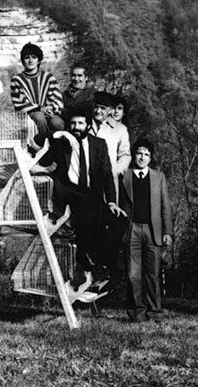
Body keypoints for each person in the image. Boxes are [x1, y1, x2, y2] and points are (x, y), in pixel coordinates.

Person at [34, 105, 127, 288]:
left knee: (119, 220)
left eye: (80, 123)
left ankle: (101, 263)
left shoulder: (99, 145)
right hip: (68, 193)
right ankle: (87, 261)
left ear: (88, 125)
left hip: (92, 195)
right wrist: (59, 134)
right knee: (87, 210)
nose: (76, 127)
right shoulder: (62, 142)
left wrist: (111, 202)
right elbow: (37, 140)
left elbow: (107, 176)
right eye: (73, 124)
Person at [120, 138, 173, 322]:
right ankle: (137, 313)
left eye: (146, 154)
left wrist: (167, 232)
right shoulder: (124, 176)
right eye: (139, 153)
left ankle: (155, 312)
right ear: (134, 155)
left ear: (150, 158)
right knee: (132, 274)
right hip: (131, 229)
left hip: (153, 230)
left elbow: (165, 206)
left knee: (153, 274)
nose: (142, 157)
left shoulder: (159, 177)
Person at [10, 42, 64, 133]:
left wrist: (50, 108)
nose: (30, 61)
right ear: (23, 61)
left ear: (39, 60)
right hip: (28, 115)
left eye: (34, 57)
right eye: (27, 57)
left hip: (47, 112)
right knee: (39, 117)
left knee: (57, 122)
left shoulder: (48, 77)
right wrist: (39, 108)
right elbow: (20, 103)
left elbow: (56, 99)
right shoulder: (17, 80)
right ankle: (42, 140)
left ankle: (58, 141)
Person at [89, 91, 131, 201]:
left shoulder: (120, 129)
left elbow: (125, 155)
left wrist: (117, 169)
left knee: (109, 208)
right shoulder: (85, 125)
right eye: (96, 107)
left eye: (102, 108)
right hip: (87, 179)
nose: (98, 111)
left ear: (110, 110)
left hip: (108, 181)